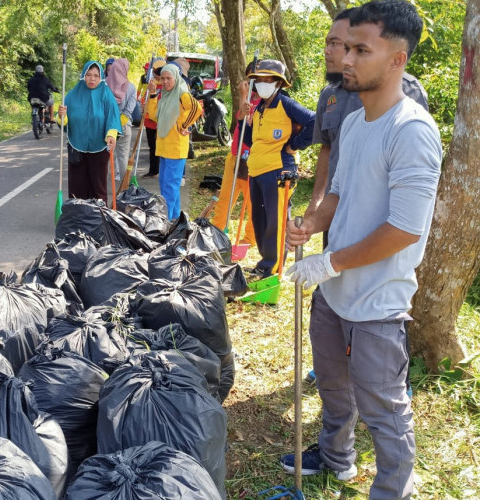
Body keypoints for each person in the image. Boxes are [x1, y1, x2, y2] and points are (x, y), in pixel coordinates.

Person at [282, 2, 442, 498]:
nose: (345, 59)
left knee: (384, 408)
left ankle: (394, 489)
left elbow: (404, 230)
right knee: (332, 386)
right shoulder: (353, 124)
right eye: (345, 48)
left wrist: (329, 261)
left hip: (377, 301)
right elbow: (337, 195)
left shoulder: (411, 132)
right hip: (334, 291)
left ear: (397, 59)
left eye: (360, 50)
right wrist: (311, 225)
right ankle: (336, 457)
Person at [305, 7, 429, 248]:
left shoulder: (408, 98)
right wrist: (317, 202)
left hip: (379, 222)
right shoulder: (331, 95)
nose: (328, 51)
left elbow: (407, 220)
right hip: (335, 208)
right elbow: (328, 150)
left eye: (336, 43)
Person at [239, 59, 315, 279]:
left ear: (278, 83)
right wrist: (244, 116)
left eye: (267, 80)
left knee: (276, 220)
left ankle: (273, 267)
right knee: (260, 219)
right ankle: (265, 262)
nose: (262, 84)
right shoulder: (259, 107)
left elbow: (314, 121)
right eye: (258, 80)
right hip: (257, 170)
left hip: (279, 171)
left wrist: (293, 145)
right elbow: (249, 141)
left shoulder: (285, 104)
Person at [210, 59, 261, 246]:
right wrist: (244, 95)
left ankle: (249, 239)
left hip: (254, 159)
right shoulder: (248, 96)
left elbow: (250, 124)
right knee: (226, 196)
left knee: (252, 203)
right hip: (235, 155)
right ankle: (217, 230)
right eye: (251, 77)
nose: (254, 81)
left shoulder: (268, 101)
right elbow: (240, 118)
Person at [57, 61, 121, 207]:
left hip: (99, 147)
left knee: (98, 185)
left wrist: (111, 134)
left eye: (96, 76)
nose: (92, 79)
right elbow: (63, 121)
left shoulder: (106, 95)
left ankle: (99, 217)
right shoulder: (72, 95)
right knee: (77, 185)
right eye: (89, 75)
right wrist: (61, 116)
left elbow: (113, 118)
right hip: (76, 146)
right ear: (83, 76)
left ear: (101, 78)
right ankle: (78, 215)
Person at [146, 64, 201, 219]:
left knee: (169, 189)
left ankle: (167, 222)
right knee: (168, 187)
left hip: (175, 149)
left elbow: (196, 108)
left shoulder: (182, 93)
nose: (164, 81)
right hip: (164, 147)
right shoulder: (165, 94)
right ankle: (175, 221)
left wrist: (183, 125)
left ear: (176, 78)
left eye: (168, 78)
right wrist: (151, 95)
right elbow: (154, 115)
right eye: (162, 78)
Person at [105, 58, 137, 181]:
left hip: (107, 126)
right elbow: (130, 109)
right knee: (123, 157)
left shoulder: (104, 85)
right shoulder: (131, 87)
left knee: (105, 157)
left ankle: (100, 186)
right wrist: (120, 121)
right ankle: (124, 189)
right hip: (124, 125)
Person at [140, 59, 165, 179]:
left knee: (159, 147)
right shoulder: (151, 83)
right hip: (149, 121)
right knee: (152, 146)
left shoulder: (166, 86)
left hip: (160, 122)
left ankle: (160, 170)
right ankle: (153, 170)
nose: (156, 74)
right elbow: (144, 96)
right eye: (154, 71)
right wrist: (144, 104)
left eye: (158, 71)